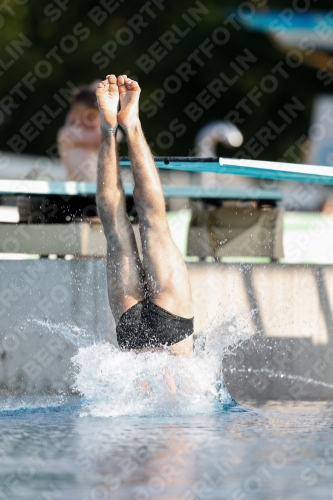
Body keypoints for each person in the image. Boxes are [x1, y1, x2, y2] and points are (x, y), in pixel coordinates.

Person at [95, 74, 194, 356]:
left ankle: (123, 127)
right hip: (138, 329)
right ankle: (113, 128)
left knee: (154, 223)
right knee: (115, 229)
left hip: (163, 322)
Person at [58, 84, 102, 182]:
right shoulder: (68, 134)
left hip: (99, 193)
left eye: (96, 116)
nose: (92, 122)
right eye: (88, 117)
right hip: (78, 194)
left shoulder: (99, 135)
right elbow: (111, 134)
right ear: (73, 115)